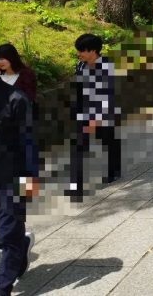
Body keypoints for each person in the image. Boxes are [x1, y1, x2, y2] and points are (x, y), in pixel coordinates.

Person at [0, 42, 38, 296]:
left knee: (8, 234)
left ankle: (3, 288)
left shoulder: (16, 100)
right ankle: (22, 244)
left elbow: (28, 142)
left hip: (11, 178)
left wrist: (30, 179)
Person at [66, 34, 119, 200]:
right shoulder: (80, 66)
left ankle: (113, 171)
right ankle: (75, 186)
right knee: (78, 147)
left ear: (93, 51)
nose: (79, 53)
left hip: (103, 112)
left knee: (109, 142)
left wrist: (96, 119)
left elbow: (106, 95)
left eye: (82, 50)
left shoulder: (106, 67)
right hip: (84, 112)